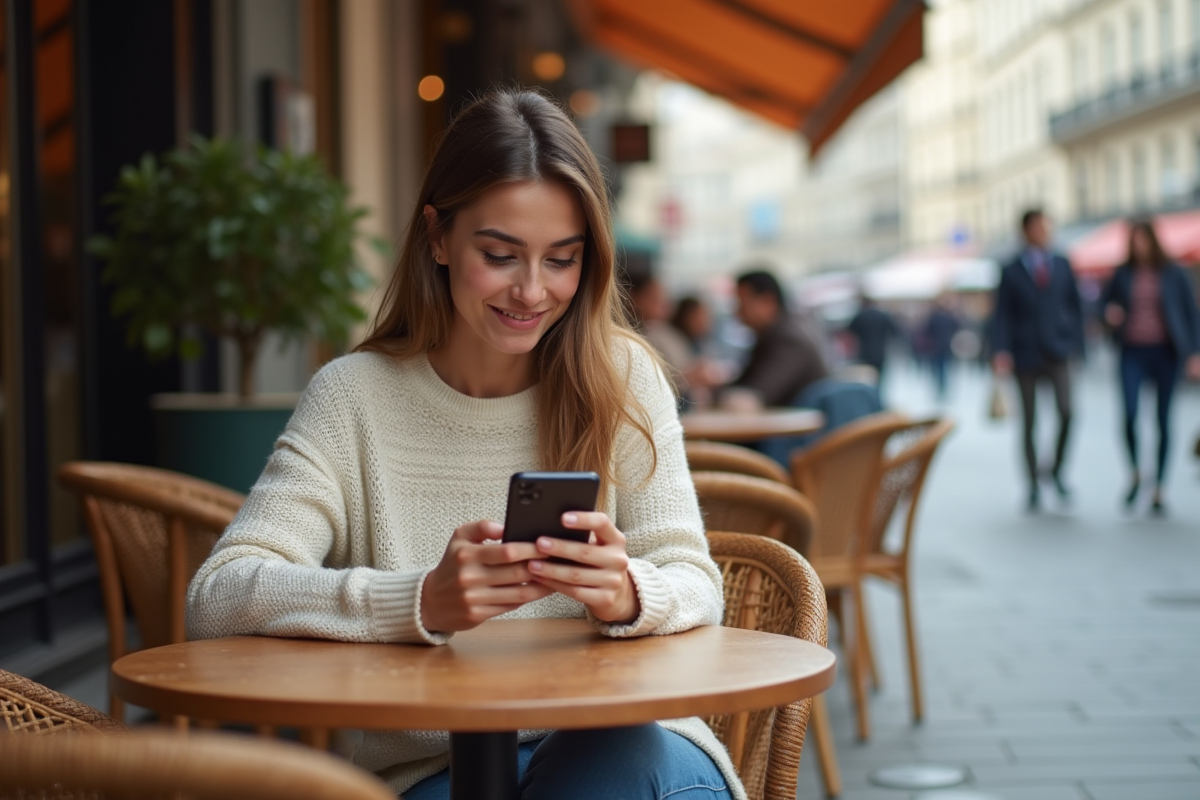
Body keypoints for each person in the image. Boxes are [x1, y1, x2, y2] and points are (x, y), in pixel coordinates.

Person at [185, 90, 737, 800]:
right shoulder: (354, 396)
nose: (533, 291)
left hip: (636, 749)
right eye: (501, 255)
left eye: (562, 260)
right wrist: (419, 600)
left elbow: (697, 583)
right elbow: (219, 596)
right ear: (438, 238)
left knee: (609, 771)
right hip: (434, 769)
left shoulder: (622, 376)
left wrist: (629, 592)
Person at [1099, 219, 1200, 515]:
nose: (1139, 246)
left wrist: (1195, 354)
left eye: (1143, 240)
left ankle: (1159, 487)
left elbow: (1191, 314)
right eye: (1135, 241)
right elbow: (1103, 307)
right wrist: (1110, 315)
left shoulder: (1174, 273)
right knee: (1129, 414)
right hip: (1132, 351)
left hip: (1166, 352)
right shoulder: (1122, 274)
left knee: (1163, 420)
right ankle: (1135, 473)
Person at [991, 209, 1086, 512]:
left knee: (1067, 412)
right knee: (1029, 422)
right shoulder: (1010, 269)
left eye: (1047, 226)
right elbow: (1001, 314)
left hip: (1058, 349)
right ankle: (1032, 484)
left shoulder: (1062, 263)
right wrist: (1000, 351)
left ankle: (1056, 470)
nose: (1044, 231)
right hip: (1025, 353)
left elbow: (1075, 306)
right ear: (1026, 231)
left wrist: (1076, 343)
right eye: (1039, 227)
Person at [726, 269, 829, 409]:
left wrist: (708, 396)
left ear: (768, 301)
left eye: (742, 304)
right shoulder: (784, 328)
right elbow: (745, 383)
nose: (737, 313)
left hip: (803, 429)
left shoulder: (787, 339)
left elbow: (756, 396)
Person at [845, 294, 899, 381]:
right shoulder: (883, 316)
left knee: (866, 379)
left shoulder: (860, 316)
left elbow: (849, 331)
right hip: (880, 353)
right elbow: (895, 332)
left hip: (864, 353)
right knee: (880, 378)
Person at [921, 295, 960, 401]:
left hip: (935, 347)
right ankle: (944, 388)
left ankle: (940, 388)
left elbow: (927, 331)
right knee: (945, 368)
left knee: (938, 369)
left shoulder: (933, 317)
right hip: (946, 346)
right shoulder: (949, 316)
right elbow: (956, 328)